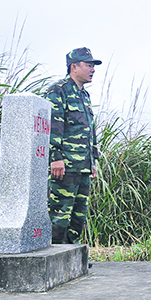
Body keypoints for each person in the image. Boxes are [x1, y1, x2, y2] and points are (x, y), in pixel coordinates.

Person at [45, 47, 101, 244]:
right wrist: (56, 158)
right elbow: (54, 125)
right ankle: (55, 257)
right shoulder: (58, 90)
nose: (93, 69)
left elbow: (89, 130)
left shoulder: (84, 96)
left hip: (83, 166)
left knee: (79, 216)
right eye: (89, 65)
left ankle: (73, 257)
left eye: (93, 66)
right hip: (65, 166)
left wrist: (93, 161)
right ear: (74, 66)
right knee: (60, 215)